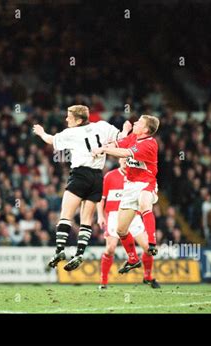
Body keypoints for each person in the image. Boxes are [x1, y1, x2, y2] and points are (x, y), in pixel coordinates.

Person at [33, 105, 131, 271]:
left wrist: (41, 132)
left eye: (69, 117)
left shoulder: (71, 133)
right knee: (86, 220)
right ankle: (79, 254)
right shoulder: (102, 126)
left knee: (65, 216)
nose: (66, 119)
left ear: (78, 120)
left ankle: (59, 251)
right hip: (97, 177)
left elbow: (51, 140)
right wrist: (126, 129)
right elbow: (121, 139)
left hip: (80, 175)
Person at [92, 115, 160, 274]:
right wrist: (107, 143)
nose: (135, 122)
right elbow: (118, 143)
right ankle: (133, 259)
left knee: (144, 203)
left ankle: (152, 242)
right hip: (129, 187)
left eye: (139, 122)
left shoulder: (149, 144)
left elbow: (124, 153)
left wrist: (103, 149)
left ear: (146, 130)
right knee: (120, 230)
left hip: (146, 183)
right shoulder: (133, 137)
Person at [97, 158, 160, 289]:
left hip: (134, 216)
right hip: (114, 215)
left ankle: (147, 277)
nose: (125, 161)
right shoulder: (110, 176)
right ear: (119, 161)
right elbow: (101, 199)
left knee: (148, 249)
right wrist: (100, 216)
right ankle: (103, 282)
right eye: (123, 159)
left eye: (128, 159)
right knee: (110, 248)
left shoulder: (137, 176)